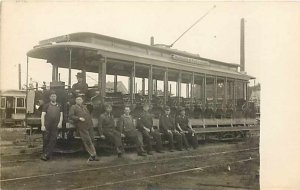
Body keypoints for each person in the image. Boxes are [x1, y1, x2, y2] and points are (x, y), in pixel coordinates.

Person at [69, 96, 98, 161]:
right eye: (77, 99)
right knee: (87, 140)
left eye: (80, 99)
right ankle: (93, 154)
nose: (79, 101)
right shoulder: (73, 107)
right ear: (75, 101)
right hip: (81, 125)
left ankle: (94, 154)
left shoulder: (84, 107)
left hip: (89, 124)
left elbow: (88, 114)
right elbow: (71, 116)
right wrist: (79, 118)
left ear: (82, 101)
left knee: (92, 138)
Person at [40, 91, 63, 161]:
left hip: (55, 125)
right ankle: (44, 154)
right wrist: (43, 125)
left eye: (54, 96)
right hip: (47, 125)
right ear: (50, 97)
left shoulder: (59, 105)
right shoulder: (46, 105)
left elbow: (61, 115)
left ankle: (47, 155)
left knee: (53, 140)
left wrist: (60, 123)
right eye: (52, 96)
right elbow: (42, 116)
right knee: (46, 139)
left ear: (56, 97)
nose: (53, 97)